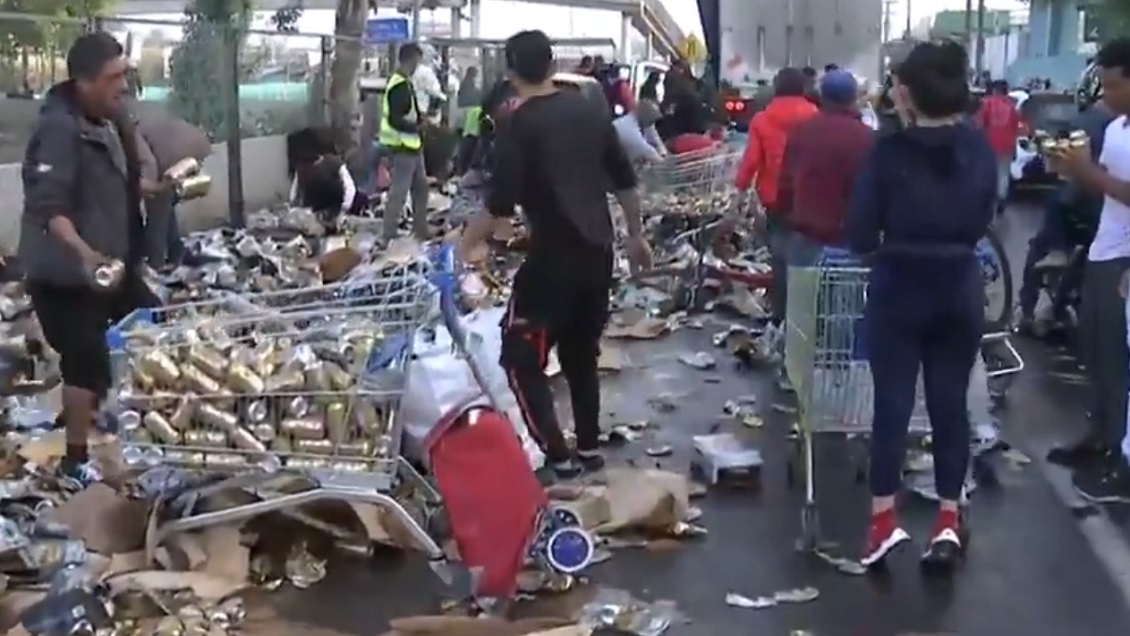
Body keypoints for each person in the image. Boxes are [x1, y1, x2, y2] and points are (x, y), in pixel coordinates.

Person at [456, 30, 651, 479]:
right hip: (599, 253)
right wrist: (636, 237)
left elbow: (501, 201)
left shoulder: (517, 123)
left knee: (519, 356)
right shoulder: (590, 111)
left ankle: (558, 456)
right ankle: (587, 447)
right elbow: (625, 181)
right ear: (551, 63)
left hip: (553, 260)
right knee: (581, 353)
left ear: (509, 70)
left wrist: (465, 244)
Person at [847, 41, 995, 570]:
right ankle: (949, 522)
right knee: (948, 407)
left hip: (899, 286)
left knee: (891, 407)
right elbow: (983, 219)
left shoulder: (888, 152)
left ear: (905, 93)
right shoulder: (978, 150)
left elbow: (860, 231)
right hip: (958, 285)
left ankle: (883, 524)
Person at [19, 33, 158, 487]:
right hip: (62, 274)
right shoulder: (59, 129)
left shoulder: (110, 119)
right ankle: (74, 461)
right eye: (113, 77)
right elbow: (49, 207)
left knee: (154, 331)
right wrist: (86, 253)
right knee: (86, 360)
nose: (124, 85)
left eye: (125, 73)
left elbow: (123, 182)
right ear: (83, 81)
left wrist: (159, 189)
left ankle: (161, 430)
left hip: (109, 268)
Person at [1045, 38, 1130, 501]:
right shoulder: (1116, 128)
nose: (1107, 95)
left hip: (1125, 260)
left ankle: (1121, 450)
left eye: (1115, 85)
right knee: (1095, 351)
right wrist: (1074, 171)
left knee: (1121, 357)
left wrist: (1088, 173)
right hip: (1103, 249)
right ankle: (1099, 433)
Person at [1016, 95, 1113, 330]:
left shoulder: (1086, 122)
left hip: (1087, 206)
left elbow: (1062, 163)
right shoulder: (1114, 122)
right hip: (1105, 212)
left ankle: (1026, 310)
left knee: (1040, 245)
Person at [735, 68, 818, 335]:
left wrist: (740, 192)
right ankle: (805, 318)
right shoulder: (814, 116)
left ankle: (781, 315)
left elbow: (751, 161)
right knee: (806, 258)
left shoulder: (762, 119)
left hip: (773, 198)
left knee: (779, 257)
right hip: (806, 199)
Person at [777, 70, 872, 265]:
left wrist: (787, 216)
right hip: (848, 239)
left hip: (806, 235)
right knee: (843, 294)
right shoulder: (867, 137)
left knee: (803, 294)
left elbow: (786, 183)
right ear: (854, 97)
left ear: (822, 96)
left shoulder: (802, 132)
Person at [135, 109, 212, 269]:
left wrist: (151, 188)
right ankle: (176, 252)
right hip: (198, 144)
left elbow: (148, 163)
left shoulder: (130, 131)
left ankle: (155, 265)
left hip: (170, 158)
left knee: (157, 213)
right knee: (165, 206)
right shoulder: (146, 118)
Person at [380, 42, 430, 242]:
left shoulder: (404, 83)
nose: (418, 65)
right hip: (403, 146)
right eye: (417, 61)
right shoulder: (399, 85)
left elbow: (406, 113)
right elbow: (395, 119)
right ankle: (388, 234)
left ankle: (420, 229)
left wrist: (420, 120)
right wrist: (417, 127)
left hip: (413, 146)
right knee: (399, 191)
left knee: (421, 188)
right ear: (410, 59)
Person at [973, 79, 1021, 213]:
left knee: (986, 172)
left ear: (994, 90)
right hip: (1007, 146)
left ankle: (988, 201)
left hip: (989, 145)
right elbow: (1015, 128)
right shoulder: (1012, 106)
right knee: (1003, 174)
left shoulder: (986, 103)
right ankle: (1001, 198)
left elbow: (979, 124)